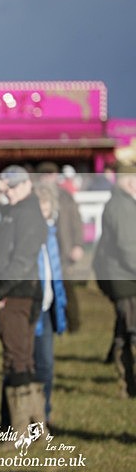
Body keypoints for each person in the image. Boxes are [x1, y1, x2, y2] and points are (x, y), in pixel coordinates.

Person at [0, 166, 47, 437]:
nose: (10, 192)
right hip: (20, 291)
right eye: (8, 187)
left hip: (17, 293)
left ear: (27, 185)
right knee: (23, 358)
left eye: (14, 187)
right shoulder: (14, 211)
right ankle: (37, 427)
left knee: (15, 359)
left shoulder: (26, 213)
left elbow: (22, 260)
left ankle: (20, 433)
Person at [0, 182, 67, 428]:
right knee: (22, 362)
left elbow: (55, 272)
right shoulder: (23, 231)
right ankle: (16, 421)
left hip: (47, 305)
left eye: (47, 204)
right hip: (28, 303)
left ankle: (41, 417)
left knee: (45, 365)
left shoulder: (51, 235)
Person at [93, 164, 136, 398]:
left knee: (124, 332)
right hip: (126, 280)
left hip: (123, 278)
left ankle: (126, 384)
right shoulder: (122, 206)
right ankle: (127, 384)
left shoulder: (121, 203)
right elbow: (129, 248)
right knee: (130, 333)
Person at [36, 162, 85, 334]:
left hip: (63, 249)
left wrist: (78, 244)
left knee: (67, 288)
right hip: (44, 252)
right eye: (46, 175)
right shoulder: (35, 197)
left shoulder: (65, 196)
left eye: (52, 175)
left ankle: (73, 324)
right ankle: (52, 324)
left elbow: (76, 221)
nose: (49, 178)